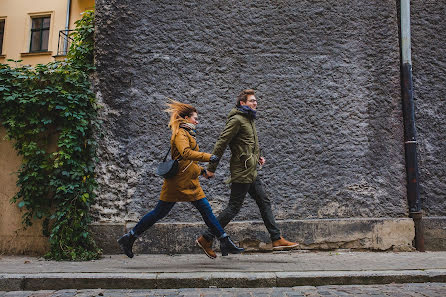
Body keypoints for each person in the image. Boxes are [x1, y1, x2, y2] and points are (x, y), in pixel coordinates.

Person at [118, 100, 244, 258]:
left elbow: (187, 162)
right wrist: (208, 157)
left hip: (188, 182)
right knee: (160, 212)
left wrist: (201, 171)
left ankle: (224, 240)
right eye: (195, 118)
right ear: (185, 118)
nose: (197, 121)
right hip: (178, 183)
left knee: (204, 211)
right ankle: (129, 237)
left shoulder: (187, 133)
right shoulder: (180, 133)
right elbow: (185, 153)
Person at [196, 89, 299, 259]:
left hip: (250, 170)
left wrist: (257, 157)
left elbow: (247, 145)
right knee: (233, 207)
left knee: (263, 201)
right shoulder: (237, 120)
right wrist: (211, 168)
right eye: (251, 101)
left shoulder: (249, 119)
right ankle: (206, 237)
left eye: (256, 101)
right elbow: (222, 142)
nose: (255, 103)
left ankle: (276, 238)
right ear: (242, 103)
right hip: (242, 171)